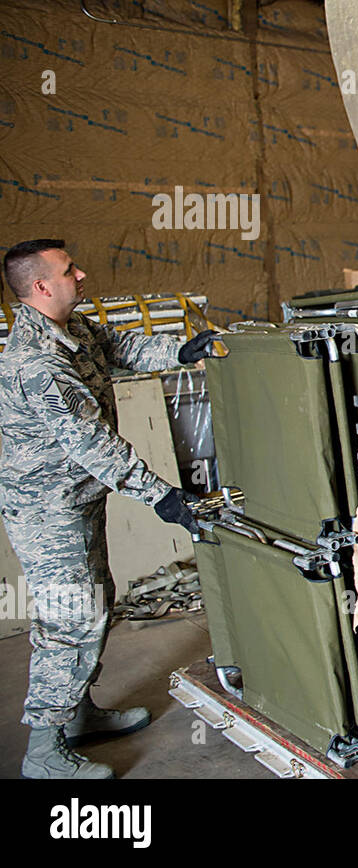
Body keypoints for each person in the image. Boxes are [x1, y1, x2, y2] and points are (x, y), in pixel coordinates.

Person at [0, 239, 221, 778]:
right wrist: (164, 497)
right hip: (46, 509)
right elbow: (92, 444)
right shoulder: (36, 362)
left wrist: (182, 351)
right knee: (70, 619)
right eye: (69, 269)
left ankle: (79, 716)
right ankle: (44, 752)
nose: (83, 272)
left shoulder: (73, 332)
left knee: (96, 600)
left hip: (76, 498)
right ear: (41, 287)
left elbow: (122, 348)